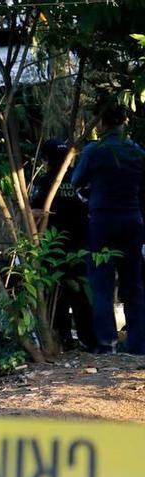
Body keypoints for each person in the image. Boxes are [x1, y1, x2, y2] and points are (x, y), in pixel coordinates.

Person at [71, 103, 145, 354]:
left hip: (102, 220)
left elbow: (75, 181)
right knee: (133, 282)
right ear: (125, 122)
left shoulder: (94, 150)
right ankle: (138, 343)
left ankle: (107, 343)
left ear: (100, 123)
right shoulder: (137, 152)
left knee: (101, 283)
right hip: (133, 220)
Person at [30, 138, 95, 351]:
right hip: (81, 244)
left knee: (56, 294)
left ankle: (63, 337)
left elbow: (33, 213)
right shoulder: (80, 179)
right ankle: (88, 339)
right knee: (81, 294)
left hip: (53, 246)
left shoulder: (43, 182)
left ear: (46, 160)